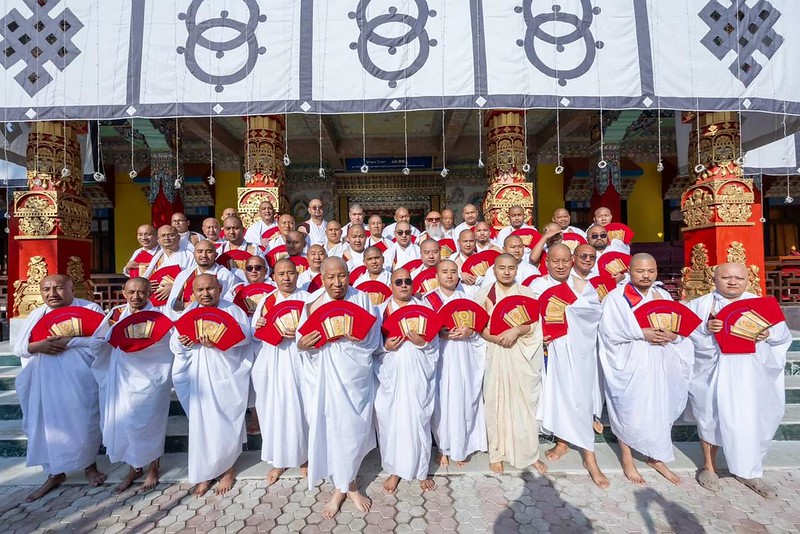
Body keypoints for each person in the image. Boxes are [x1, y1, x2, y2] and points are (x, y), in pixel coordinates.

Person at [688, 263, 792, 497]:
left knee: (752, 419)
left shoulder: (761, 305)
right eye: (726, 277)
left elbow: (782, 336)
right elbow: (685, 336)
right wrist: (705, 329)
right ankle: (709, 468)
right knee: (710, 418)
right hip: (714, 372)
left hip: (750, 375)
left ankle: (750, 470)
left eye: (738, 278)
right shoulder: (701, 305)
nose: (732, 282)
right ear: (714, 279)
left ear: (748, 280)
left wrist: (769, 333)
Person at [598, 253, 693, 486]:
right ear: (629, 271)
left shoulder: (662, 295)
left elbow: (676, 325)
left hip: (659, 360)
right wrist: (642, 333)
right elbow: (608, 333)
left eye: (651, 271)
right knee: (627, 408)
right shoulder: (616, 298)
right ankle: (628, 459)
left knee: (658, 409)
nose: (646, 275)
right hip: (630, 361)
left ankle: (655, 456)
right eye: (640, 271)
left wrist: (673, 335)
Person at [297, 257, 381, 518]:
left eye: (341, 276)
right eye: (331, 277)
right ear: (322, 278)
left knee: (354, 431)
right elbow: (301, 343)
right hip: (325, 379)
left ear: (349, 275)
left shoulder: (363, 299)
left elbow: (374, 339)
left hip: (355, 376)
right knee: (333, 430)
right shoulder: (312, 305)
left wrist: (360, 340)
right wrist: (304, 346)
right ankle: (344, 487)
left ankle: (349, 483)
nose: (337, 282)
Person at [14, 275, 106, 502]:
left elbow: (103, 339)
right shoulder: (37, 314)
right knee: (48, 426)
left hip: (80, 378)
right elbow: (20, 348)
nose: (52, 293)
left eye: (58, 288)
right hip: (46, 381)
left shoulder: (90, 307)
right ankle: (55, 473)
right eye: (46, 289)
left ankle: (89, 467)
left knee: (84, 421)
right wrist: (39, 346)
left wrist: (70, 341)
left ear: (71, 288)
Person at [528, 245, 608, 488]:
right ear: (547, 262)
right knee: (554, 397)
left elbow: (595, 316)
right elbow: (531, 316)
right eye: (555, 261)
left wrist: (572, 311)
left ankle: (590, 458)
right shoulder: (537, 286)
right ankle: (561, 442)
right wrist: (539, 334)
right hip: (549, 352)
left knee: (580, 398)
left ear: (572, 261)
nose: (560, 265)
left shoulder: (584, 286)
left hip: (578, 351)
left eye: (565, 260)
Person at [170, 274, 254, 497]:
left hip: (226, 375)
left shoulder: (233, 311)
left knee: (226, 422)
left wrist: (219, 343)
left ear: (220, 288)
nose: (206, 294)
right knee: (203, 425)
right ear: (193, 293)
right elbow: (175, 344)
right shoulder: (189, 313)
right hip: (200, 378)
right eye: (200, 290)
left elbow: (245, 337)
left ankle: (227, 468)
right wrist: (183, 343)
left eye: (210, 289)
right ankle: (205, 471)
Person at [92, 277, 173, 493]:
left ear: (149, 293)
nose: (136, 297)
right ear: (124, 293)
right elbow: (97, 343)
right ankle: (134, 467)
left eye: (141, 292)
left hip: (152, 377)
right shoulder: (116, 315)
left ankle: (154, 466)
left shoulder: (160, 316)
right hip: (122, 377)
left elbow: (169, 344)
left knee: (150, 423)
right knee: (127, 422)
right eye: (131, 292)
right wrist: (107, 337)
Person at [475, 255, 547, 475]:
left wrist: (516, 330)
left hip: (521, 354)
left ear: (518, 270)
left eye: (511, 268)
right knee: (496, 401)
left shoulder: (526, 293)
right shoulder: (484, 293)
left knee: (525, 404)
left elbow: (534, 325)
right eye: (501, 268)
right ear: (494, 270)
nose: (506, 272)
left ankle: (530, 453)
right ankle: (497, 453)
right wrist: (496, 338)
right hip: (496, 353)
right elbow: (478, 325)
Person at [375, 268, 439, 493]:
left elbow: (434, 345)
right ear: (391, 285)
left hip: (417, 377)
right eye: (398, 281)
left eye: (407, 281)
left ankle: (422, 471)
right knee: (390, 423)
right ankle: (394, 471)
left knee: (418, 421)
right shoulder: (381, 310)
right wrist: (385, 346)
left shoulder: (424, 308)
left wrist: (422, 343)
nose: (403, 285)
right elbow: (370, 346)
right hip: (390, 378)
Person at [251, 259, 310, 485]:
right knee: (275, 410)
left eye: (290, 273)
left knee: (301, 408)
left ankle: (304, 457)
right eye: (281, 274)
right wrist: (262, 325)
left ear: (298, 275)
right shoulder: (267, 300)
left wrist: (299, 332)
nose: (286, 278)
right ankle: (279, 460)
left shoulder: (307, 299)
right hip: (273, 363)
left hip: (300, 361)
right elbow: (255, 333)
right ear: (273, 276)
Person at [425, 260, 487, 467]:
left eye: (453, 272)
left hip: (465, 357)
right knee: (443, 403)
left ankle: (464, 445)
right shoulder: (428, 301)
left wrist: (470, 331)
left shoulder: (467, 298)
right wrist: (438, 333)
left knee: (465, 398)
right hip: (441, 358)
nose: (450, 276)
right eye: (445, 272)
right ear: (436, 276)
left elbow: (480, 328)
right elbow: (422, 331)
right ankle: (444, 447)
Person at [165, 240, 240, 317]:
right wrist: (192, 306)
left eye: (209, 251)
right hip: (186, 319)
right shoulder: (184, 275)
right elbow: (172, 304)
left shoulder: (225, 276)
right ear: (194, 254)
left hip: (215, 319)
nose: (204, 255)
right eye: (200, 251)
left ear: (216, 255)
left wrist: (198, 307)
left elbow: (227, 304)